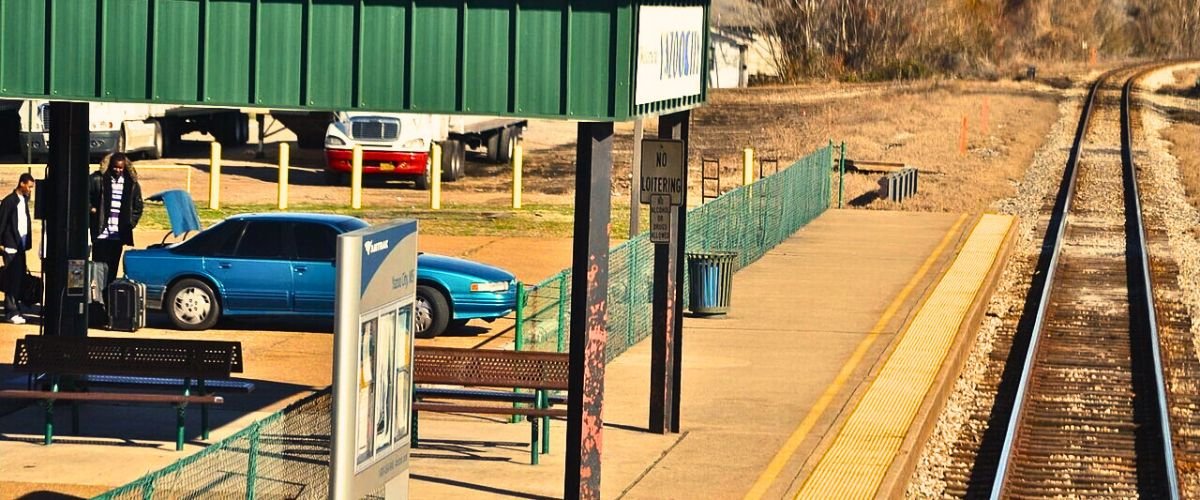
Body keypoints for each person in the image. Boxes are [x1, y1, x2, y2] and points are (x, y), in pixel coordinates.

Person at [90, 152, 143, 285]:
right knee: (98, 269)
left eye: (120, 168)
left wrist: (130, 223)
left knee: (112, 269)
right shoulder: (98, 179)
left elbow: (138, 207)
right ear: (110, 166)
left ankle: (108, 299)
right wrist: (92, 209)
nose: (118, 170)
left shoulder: (131, 184)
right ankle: (97, 300)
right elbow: (84, 197)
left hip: (118, 235)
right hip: (101, 233)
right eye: (115, 167)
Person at [0, 173, 34, 324]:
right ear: (22, 184)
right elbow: (2, 222)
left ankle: (15, 308)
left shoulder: (24, 201)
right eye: (29, 186)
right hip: (10, 246)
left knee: (18, 278)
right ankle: (10, 311)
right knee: (11, 279)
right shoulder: (9, 201)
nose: (30, 190)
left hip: (20, 246)